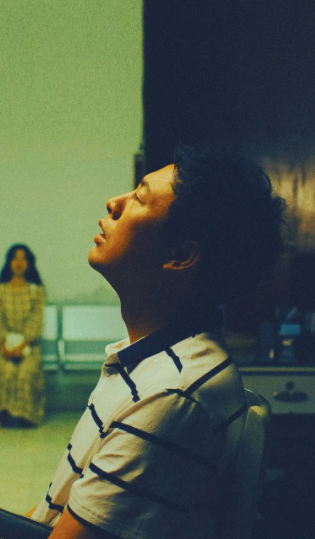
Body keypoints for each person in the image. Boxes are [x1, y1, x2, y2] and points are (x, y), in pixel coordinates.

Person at [26, 146, 285, 539]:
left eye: (139, 198)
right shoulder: (153, 362)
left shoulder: (172, 395)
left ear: (179, 255)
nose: (114, 203)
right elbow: (52, 514)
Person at [0, 244, 45, 427]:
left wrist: (23, 344)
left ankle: (26, 416)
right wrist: (4, 345)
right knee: (6, 370)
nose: (19, 263)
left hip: (29, 347)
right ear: (9, 262)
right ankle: (1, 414)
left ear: (29, 263)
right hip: (2, 347)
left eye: (23, 259)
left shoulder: (36, 291)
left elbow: (36, 320)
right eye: (15, 258)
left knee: (25, 371)